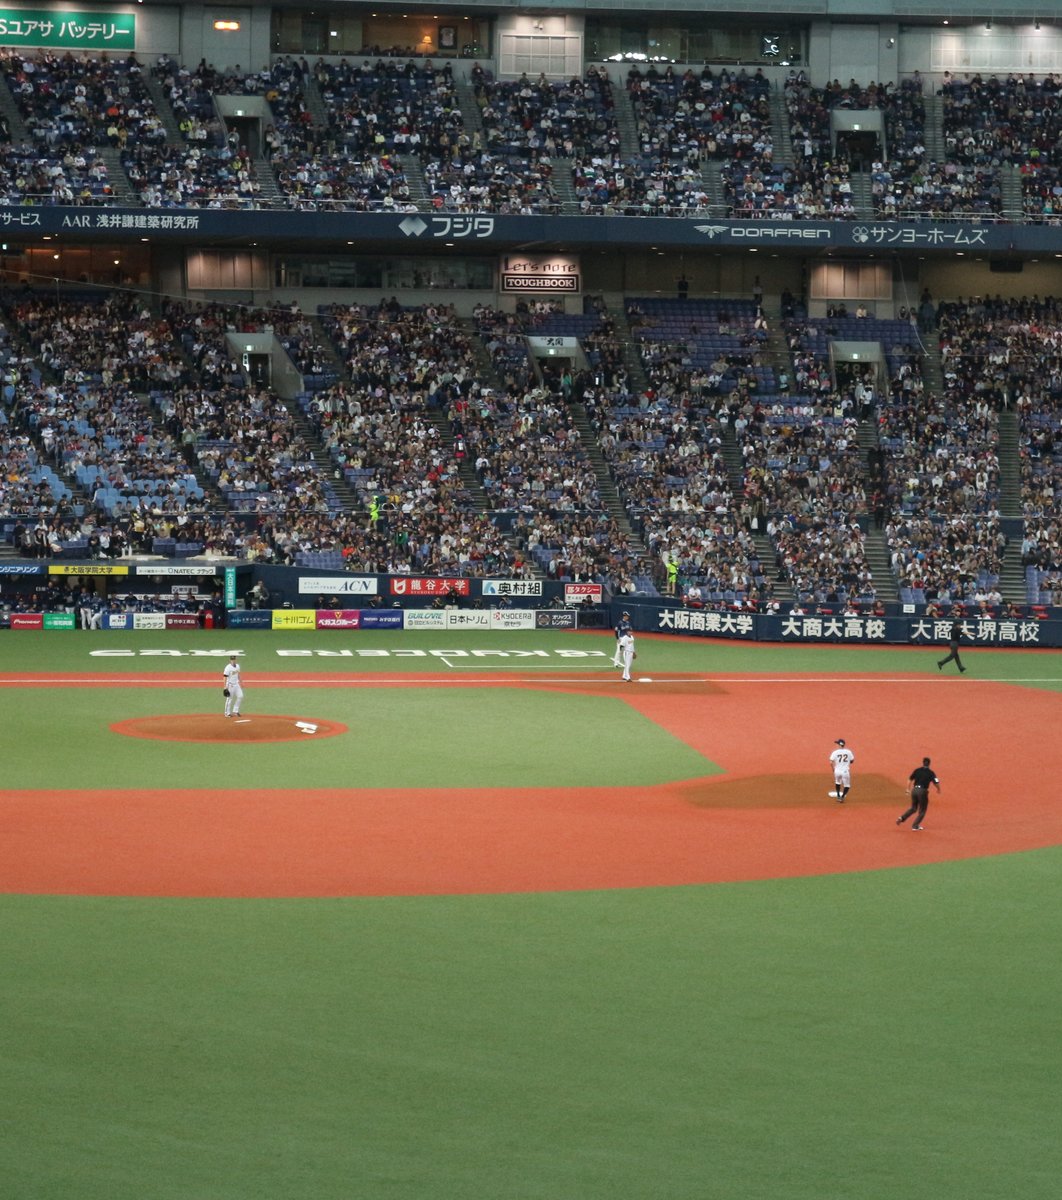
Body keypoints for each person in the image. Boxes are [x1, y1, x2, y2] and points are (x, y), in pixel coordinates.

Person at [897, 757, 940, 831]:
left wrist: (908, 789)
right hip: (922, 792)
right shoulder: (931, 773)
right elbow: (936, 782)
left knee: (913, 808)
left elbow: (910, 779)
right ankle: (915, 826)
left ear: (923, 763)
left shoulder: (917, 770)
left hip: (914, 790)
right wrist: (938, 789)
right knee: (922, 810)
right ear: (929, 764)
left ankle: (902, 818)